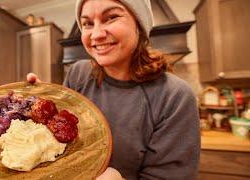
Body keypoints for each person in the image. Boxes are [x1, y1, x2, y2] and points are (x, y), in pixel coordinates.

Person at [27, 0, 200, 179]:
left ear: (139, 25)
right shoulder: (78, 73)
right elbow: (63, 141)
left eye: (111, 17)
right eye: (87, 23)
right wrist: (43, 108)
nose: (97, 34)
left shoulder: (174, 97)